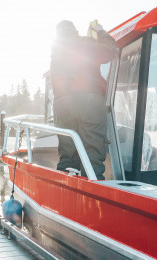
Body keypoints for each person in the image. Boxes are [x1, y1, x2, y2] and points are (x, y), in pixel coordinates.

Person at [50, 20, 116, 180]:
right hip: (89, 100)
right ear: (75, 31)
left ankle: (64, 195)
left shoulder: (56, 53)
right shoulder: (85, 44)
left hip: (62, 104)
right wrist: (100, 31)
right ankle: (91, 196)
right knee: (92, 153)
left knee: (67, 153)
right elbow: (110, 50)